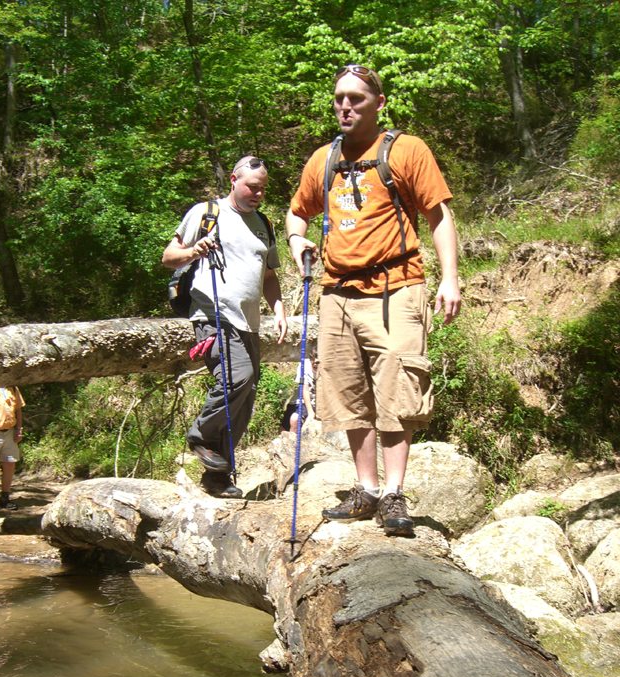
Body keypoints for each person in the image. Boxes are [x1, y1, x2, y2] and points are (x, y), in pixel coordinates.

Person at [286, 63, 461, 536]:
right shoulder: (322, 160)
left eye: (356, 99)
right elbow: (296, 213)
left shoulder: (406, 151)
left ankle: (393, 493)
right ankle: (365, 489)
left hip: (397, 288)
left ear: (378, 104)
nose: (345, 105)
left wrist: (450, 279)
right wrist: (296, 240)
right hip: (336, 293)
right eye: (339, 97)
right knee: (348, 393)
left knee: (397, 393)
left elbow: (438, 215)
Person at [163, 156, 288, 498]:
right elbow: (168, 256)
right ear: (234, 180)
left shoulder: (263, 223)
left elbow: (269, 276)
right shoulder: (206, 213)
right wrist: (193, 250)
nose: (258, 194)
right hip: (212, 314)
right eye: (252, 187)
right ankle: (202, 436)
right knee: (237, 378)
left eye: (262, 189)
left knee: (244, 398)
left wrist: (278, 309)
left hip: (247, 322)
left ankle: (218, 477)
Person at [280, 349, 318, 433]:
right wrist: (310, 412)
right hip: (302, 400)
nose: (315, 363)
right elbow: (304, 388)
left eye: (318, 361)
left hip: (318, 401)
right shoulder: (304, 364)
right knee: (289, 423)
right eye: (312, 359)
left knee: (295, 419)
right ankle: (290, 443)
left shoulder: (328, 366)